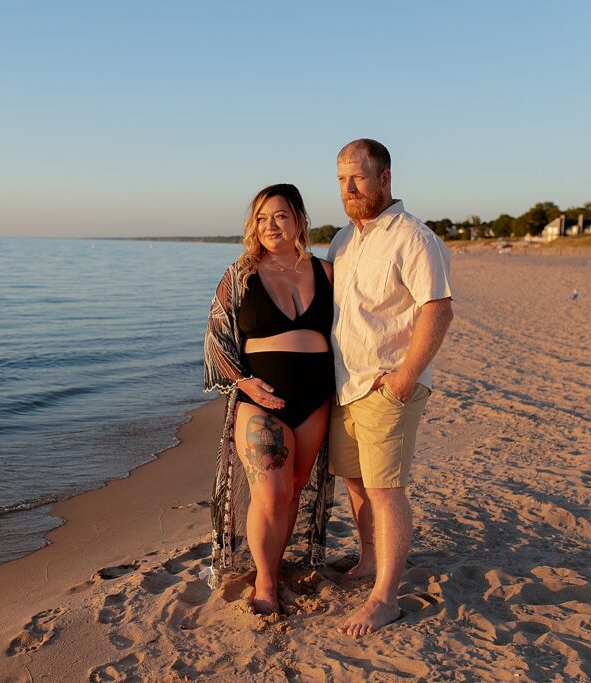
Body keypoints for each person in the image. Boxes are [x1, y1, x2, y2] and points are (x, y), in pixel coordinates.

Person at [327, 139, 454, 637]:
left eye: (358, 177)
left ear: (384, 178)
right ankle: (367, 560)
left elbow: (437, 309)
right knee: (355, 481)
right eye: (341, 180)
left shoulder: (415, 238)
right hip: (346, 387)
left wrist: (404, 379)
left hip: (387, 385)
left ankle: (385, 599)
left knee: (385, 490)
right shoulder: (342, 240)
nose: (349, 188)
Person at [203, 183, 336, 615]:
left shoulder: (328, 272)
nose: (270, 226)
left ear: (299, 219)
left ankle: (274, 568)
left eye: (279, 216)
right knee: (271, 492)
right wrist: (244, 382)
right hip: (262, 398)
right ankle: (263, 582)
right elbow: (215, 339)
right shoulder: (240, 274)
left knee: (294, 489)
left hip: (315, 398)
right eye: (261, 218)